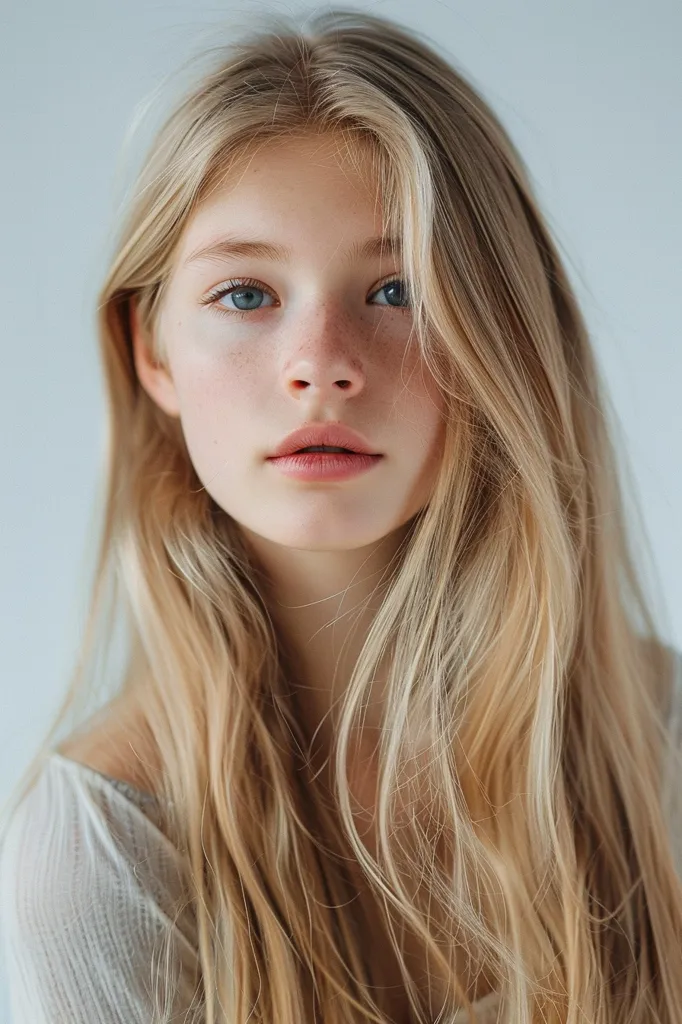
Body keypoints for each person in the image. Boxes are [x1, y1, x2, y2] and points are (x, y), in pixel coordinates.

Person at [1, 7, 681, 1023]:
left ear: (506, 335)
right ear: (151, 350)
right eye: (245, 294)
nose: (321, 363)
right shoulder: (102, 858)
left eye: (399, 289)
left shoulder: (661, 749)